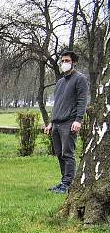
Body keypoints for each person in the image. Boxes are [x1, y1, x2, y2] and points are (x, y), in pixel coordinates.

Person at [44, 50, 89, 194]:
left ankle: (68, 184)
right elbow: (57, 103)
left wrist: (78, 120)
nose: (64, 63)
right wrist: (51, 122)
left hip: (69, 123)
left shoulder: (80, 79)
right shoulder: (60, 82)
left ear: (74, 62)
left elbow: (82, 101)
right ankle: (63, 181)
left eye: (67, 61)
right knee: (59, 154)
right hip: (56, 123)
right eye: (62, 61)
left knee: (67, 154)